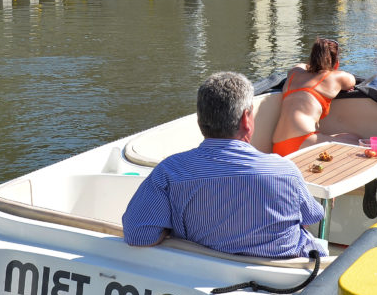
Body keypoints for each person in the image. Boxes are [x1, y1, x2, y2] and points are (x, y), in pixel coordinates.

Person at [122, 71, 326, 259]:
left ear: (200, 120)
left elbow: (138, 235)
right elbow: (311, 217)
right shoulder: (285, 171)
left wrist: (171, 228)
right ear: (247, 119)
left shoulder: (170, 172)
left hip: (206, 273)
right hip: (285, 279)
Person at [271, 37, 359, 157]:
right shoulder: (335, 77)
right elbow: (351, 81)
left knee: (350, 137)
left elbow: (302, 65)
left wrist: (315, 64)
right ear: (336, 63)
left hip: (277, 145)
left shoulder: (294, 73)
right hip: (303, 140)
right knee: (358, 143)